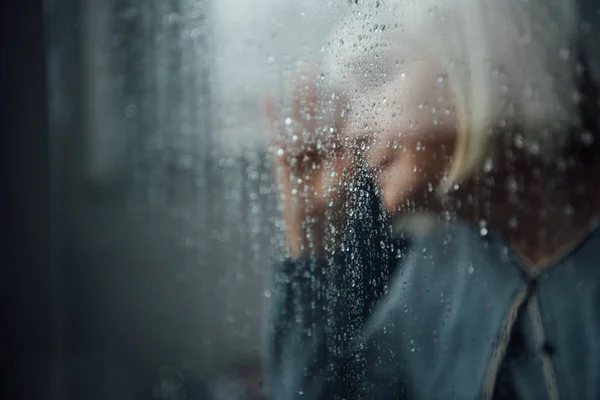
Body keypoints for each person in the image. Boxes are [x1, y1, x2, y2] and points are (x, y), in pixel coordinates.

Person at [262, 0, 600, 398]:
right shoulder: (441, 267)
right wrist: (310, 240)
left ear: (481, 57)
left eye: (379, 76)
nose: (353, 132)